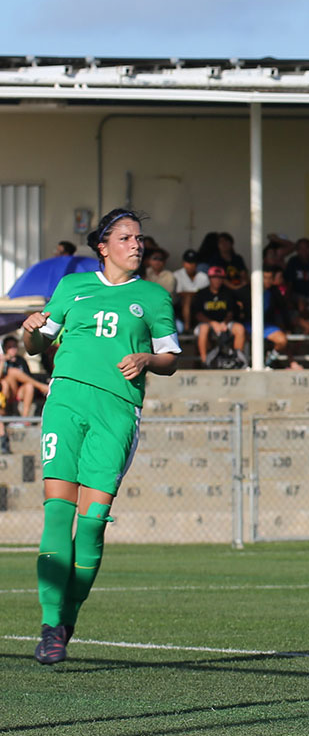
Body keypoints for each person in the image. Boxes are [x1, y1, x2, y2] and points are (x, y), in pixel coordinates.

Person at [22, 208, 180, 664]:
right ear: (103, 246)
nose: (136, 245)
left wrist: (147, 360)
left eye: (139, 238)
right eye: (126, 238)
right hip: (66, 403)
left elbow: (171, 358)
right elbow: (38, 344)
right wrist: (30, 331)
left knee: (92, 524)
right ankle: (49, 624)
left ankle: (66, 620)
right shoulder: (72, 286)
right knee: (57, 515)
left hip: (117, 411)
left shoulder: (153, 296)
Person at [192, 266, 247, 370]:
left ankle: (237, 360)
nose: (217, 280)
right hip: (207, 323)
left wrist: (224, 323)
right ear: (209, 278)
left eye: (219, 278)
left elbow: (231, 312)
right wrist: (213, 323)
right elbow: (198, 314)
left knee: (240, 328)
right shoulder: (202, 293)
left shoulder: (228, 293)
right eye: (214, 277)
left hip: (224, 323)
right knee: (203, 328)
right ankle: (205, 362)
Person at [1, 335, 49, 419]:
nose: (13, 349)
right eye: (10, 347)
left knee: (29, 386)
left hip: (19, 391)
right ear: (5, 348)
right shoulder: (2, 361)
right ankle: (41, 386)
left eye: (14, 346)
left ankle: (25, 418)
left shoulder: (20, 360)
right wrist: (3, 361)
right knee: (12, 372)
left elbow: (28, 378)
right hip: (6, 390)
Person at [284, 238, 309, 324]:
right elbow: (289, 282)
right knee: (301, 302)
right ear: (297, 250)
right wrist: (287, 299)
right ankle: (307, 325)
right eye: (301, 248)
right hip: (298, 294)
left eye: (306, 248)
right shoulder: (293, 262)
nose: (304, 251)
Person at [172, 249, 209, 333]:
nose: (190, 265)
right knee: (187, 298)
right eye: (188, 262)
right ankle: (187, 327)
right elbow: (178, 294)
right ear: (183, 263)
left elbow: (206, 294)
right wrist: (194, 294)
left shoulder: (203, 276)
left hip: (199, 306)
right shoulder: (176, 275)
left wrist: (191, 294)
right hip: (180, 308)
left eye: (193, 262)